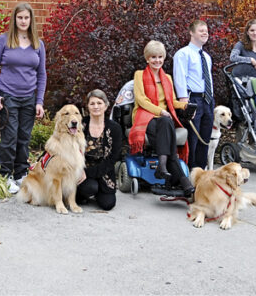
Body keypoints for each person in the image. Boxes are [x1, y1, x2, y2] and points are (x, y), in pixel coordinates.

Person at [0, 2, 46, 194]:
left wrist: (39, 101)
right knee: (9, 138)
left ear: (31, 20)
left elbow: (42, 74)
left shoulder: (38, 44)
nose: (23, 21)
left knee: (24, 138)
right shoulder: (3, 40)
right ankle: (5, 175)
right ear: (15, 19)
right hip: (8, 97)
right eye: (19, 17)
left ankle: (21, 173)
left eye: (26, 18)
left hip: (29, 98)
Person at [131, 41, 195, 196]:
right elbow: (141, 100)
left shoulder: (167, 78)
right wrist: (160, 111)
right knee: (166, 122)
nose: (157, 60)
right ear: (147, 58)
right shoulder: (139, 75)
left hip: (162, 121)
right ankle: (182, 180)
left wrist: (184, 106)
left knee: (166, 123)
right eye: (153, 57)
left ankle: (163, 166)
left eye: (160, 57)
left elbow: (171, 101)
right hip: (144, 116)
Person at [173, 19, 215, 170]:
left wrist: (211, 100)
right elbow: (180, 78)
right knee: (192, 137)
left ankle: (201, 169)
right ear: (191, 32)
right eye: (201, 30)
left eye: (206, 31)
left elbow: (207, 79)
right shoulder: (183, 54)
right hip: (193, 99)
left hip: (208, 100)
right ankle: (190, 169)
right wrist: (185, 102)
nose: (205, 33)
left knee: (205, 136)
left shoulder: (207, 56)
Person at [77, 89, 122, 210]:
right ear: (87, 106)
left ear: (106, 106)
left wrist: (88, 173)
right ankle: (84, 194)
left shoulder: (115, 128)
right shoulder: (81, 124)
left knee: (108, 204)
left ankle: (97, 192)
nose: (96, 106)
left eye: (99, 103)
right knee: (89, 188)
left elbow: (112, 159)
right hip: (81, 171)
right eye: (92, 103)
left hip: (104, 172)